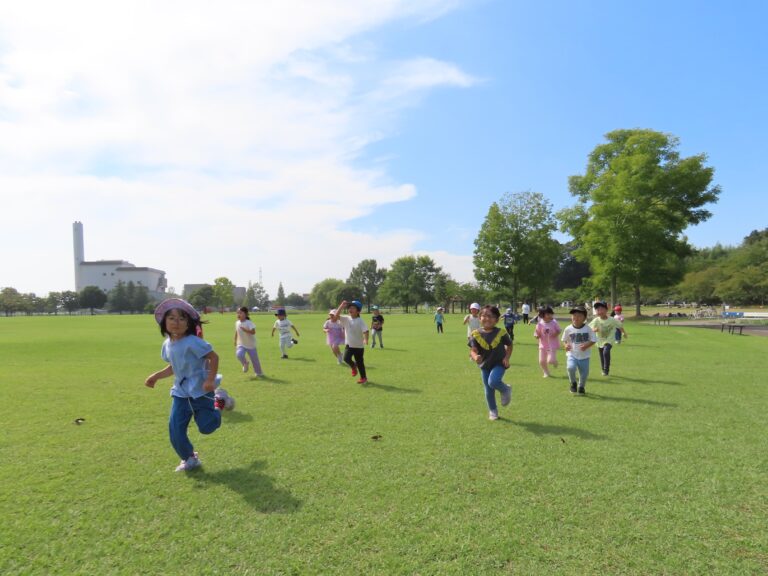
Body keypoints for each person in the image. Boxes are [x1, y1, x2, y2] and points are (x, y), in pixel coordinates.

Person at [144, 298, 223, 472]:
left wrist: (210, 380)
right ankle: (189, 458)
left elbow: (213, 357)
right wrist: (156, 376)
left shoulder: (193, 342)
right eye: (171, 318)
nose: (176, 322)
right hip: (180, 393)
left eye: (181, 318)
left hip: (201, 391)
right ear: (164, 322)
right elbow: (174, 367)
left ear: (188, 323)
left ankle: (220, 403)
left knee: (207, 427)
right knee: (175, 429)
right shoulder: (167, 344)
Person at [469, 305, 513, 421]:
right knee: (488, 389)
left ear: (497, 320)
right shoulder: (475, 334)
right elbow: (473, 350)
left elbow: (509, 345)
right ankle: (493, 411)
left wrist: (507, 358)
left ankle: (505, 389)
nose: (487, 318)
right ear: (479, 318)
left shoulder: (501, 333)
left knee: (493, 381)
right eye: (484, 315)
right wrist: (475, 357)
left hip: (499, 363)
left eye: (491, 316)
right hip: (485, 365)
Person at [561, 305, 597, 395]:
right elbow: (564, 339)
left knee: (584, 373)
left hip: (584, 356)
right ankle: (573, 383)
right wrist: (565, 345)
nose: (576, 317)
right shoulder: (568, 328)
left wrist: (587, 345)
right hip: (572, 354)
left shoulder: (588, 329)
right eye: (574, 315)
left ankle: (581, 387)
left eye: (579, 316)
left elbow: (594, 339)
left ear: (584, 318)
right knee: (570, 368)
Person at [332, 300, 369, 384]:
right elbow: (335, 317)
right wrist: (341, 306)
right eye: (349, 308)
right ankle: (353, 366)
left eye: (353, 308)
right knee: (346, 358)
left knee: (360, 363)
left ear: (358, 311)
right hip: (349, 345)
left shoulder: (360, 320)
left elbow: (366, 331)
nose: (350, 309)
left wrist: (365, 339)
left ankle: (363, 378)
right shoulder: (346, 318)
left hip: (359, 346)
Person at [589, 301, 628, 376]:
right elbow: (589, 328)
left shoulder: (612, 320)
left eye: (601, 309)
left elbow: (620, 325)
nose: (599, 311)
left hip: (609, 340)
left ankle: (606, 370)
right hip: (599, 340)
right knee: (602, 356)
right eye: (597, 310)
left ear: (606, 310)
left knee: (606, 352)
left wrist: (624, 333)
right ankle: (603, 369)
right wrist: (594, 329)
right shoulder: (596, 320)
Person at [234, 306, 263, 376]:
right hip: (241, 344)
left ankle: (259, 373)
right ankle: (245, 363)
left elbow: (253, 332)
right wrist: (235, 340)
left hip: (251, 344)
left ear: (246, 314)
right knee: (239, 354)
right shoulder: (237, 323)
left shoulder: (249, 323)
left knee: (255, 360)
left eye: (240, 313)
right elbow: (237, 331)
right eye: (238, 313)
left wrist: (245, 330)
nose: (239, 314)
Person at [533, 306, 561, 377]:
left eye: (551, 314)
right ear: (542, 315)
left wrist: (555, 334)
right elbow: (536, 333)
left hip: (552, 345)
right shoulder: (540, 324)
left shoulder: (554, 322)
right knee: (541, 361)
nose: (550, 316)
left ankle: (555, 362)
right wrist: (536, 335)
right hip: (543, 345)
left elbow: (559, 330)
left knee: (550, 361)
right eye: (548, 314)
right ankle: (546, 372)